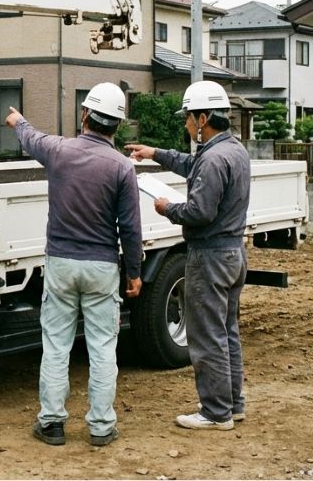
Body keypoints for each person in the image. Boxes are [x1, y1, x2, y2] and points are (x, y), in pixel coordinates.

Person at [4, 82, 143, 447]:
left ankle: (51, 424)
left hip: (62, 263)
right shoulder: (122, 168)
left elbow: (31, 137)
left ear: (85, 115)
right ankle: (100, 427)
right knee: (101, 348)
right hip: (101, 267)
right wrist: (135, 273)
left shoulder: (60, 152)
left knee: (56, 346)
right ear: (117, 125)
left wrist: (18, 120)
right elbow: (130, 228)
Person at [125, 80, 251, 431]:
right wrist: (155, 153)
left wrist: (167, 208)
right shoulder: (233, 150)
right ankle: (232, 403)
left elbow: (199, 212)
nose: (185, 124)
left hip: (210, 256)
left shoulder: (212, 159)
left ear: (203, 117)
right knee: (226, 331)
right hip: (232, 253)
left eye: (188, 118)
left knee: (207, 335)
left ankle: (215, 412)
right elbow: (190, 164)